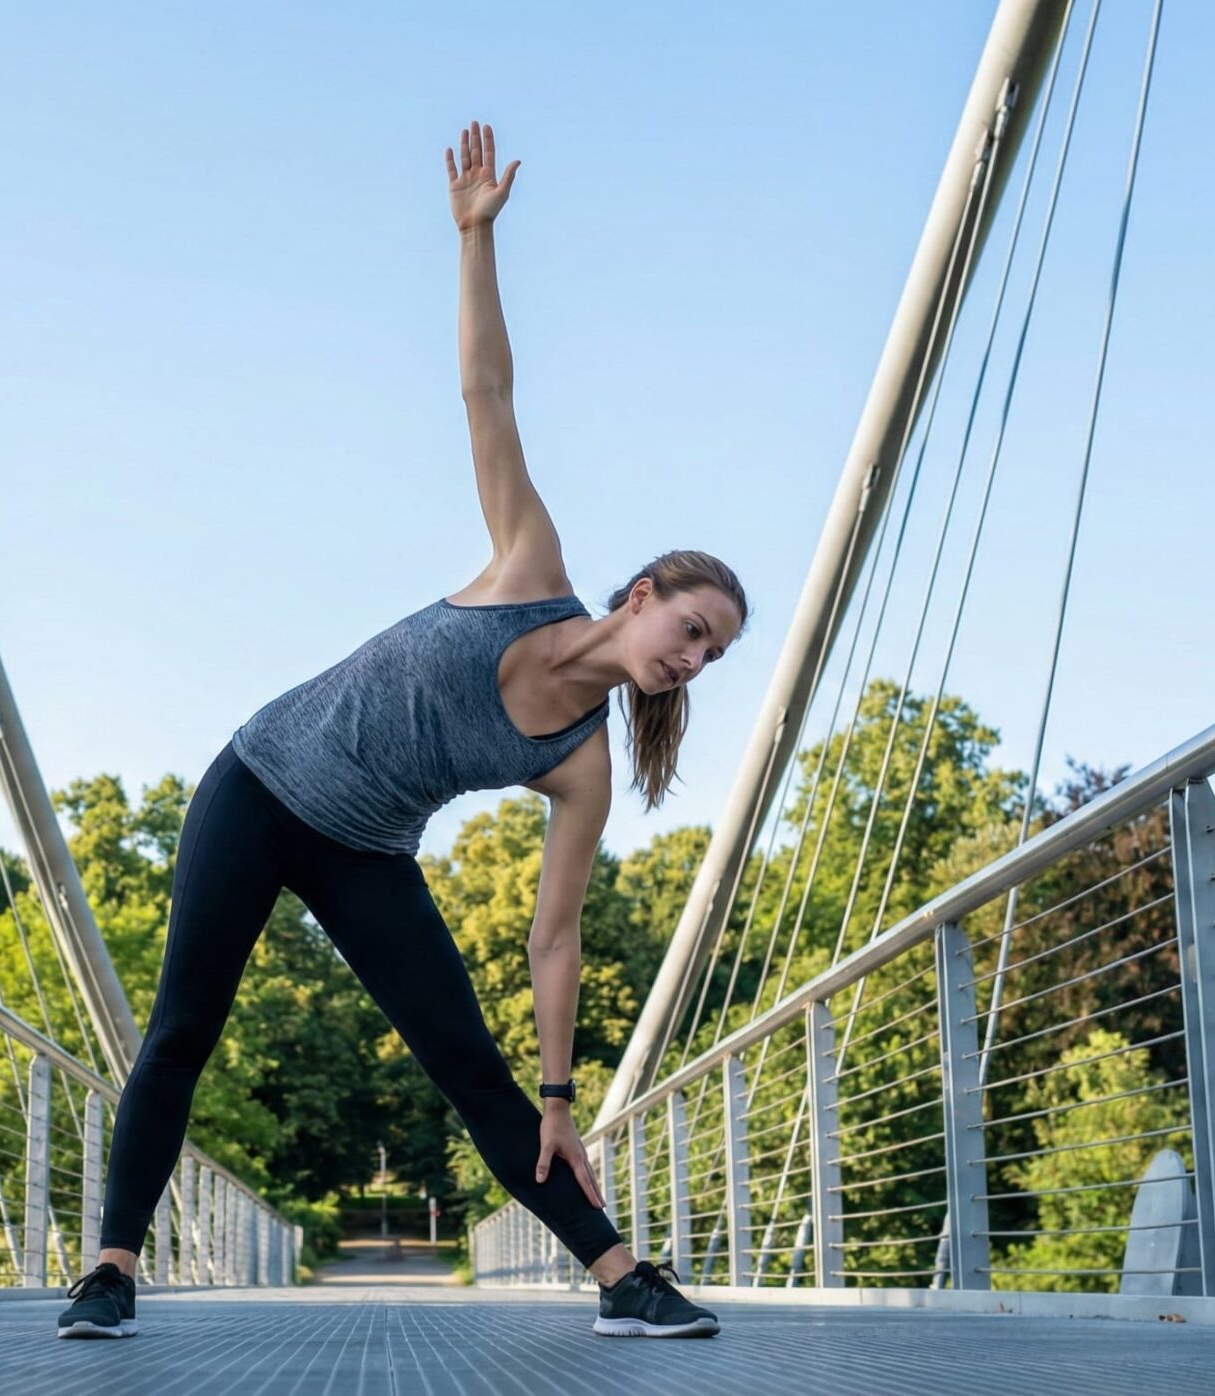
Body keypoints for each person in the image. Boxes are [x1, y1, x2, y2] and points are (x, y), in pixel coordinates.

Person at [57, 120, 747, 1341]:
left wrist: (558, 1091)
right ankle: (109, 1267)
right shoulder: (529, 564)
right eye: (688, 627)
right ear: (640, 594)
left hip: (362, 849)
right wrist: (476, 239)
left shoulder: (578, 764)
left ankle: (621, 1279)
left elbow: (553, 934)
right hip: (260, 785)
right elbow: (487, 391)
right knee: (179, 1035)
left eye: (707, 654)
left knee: (471, 1068)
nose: (687, 660)